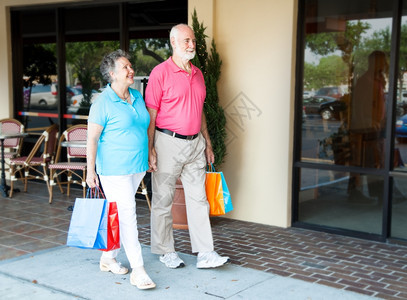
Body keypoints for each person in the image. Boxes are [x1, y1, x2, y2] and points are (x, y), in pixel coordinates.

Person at [145, 24, 230, 269]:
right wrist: (150, 148)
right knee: (163, 198)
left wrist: (208, 143)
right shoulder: (160, 72)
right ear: (173, 43)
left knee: (199, 199)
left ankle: (205, 253)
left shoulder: (198, 74)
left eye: (192, 40)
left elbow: (199, 109)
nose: (191, 45)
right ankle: (165, 250)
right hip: (167, 142)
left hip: (195, 144)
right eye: (186, 41)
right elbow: (152, 114)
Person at [86, 49, 156, 290]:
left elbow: (146, 127)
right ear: (112, 74)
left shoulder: (136, 95)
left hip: (137, 166)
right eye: (125, 67)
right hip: (113, 169)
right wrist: (90, 170)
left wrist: (150, 153)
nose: (131, 70)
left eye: (130, 66)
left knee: (119, 213)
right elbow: (92, 139)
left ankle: (107, 258)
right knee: (128, 215)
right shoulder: (102, 102)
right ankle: (138, 270)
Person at [348, 50, 388, 200]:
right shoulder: (365, 81)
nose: (385, 65)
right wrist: (368, 121)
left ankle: (377, 193)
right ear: (375, 62)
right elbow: (359, 106)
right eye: (382, 62)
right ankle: (355, 193)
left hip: (375, 128)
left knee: (375, 162)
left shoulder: (378, 81)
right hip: (365, 129)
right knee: (363, 162)